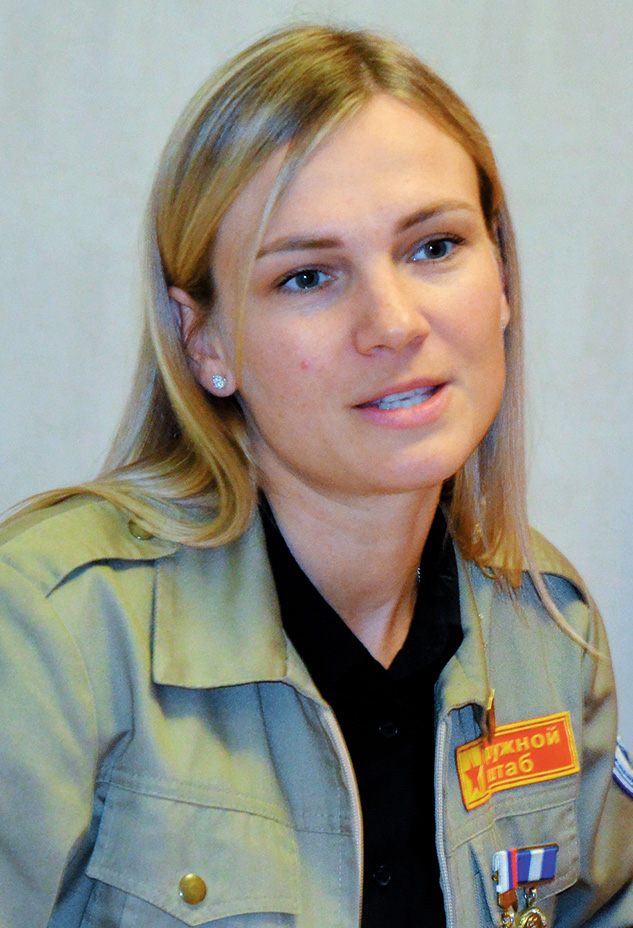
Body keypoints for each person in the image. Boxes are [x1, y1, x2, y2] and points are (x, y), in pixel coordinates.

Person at [1, 23, 632, 928]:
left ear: (501, 278)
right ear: (203, 340)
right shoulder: (48, 632)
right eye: (307, 277)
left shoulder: (549, 629)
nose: (393, 323)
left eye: (433, 247)